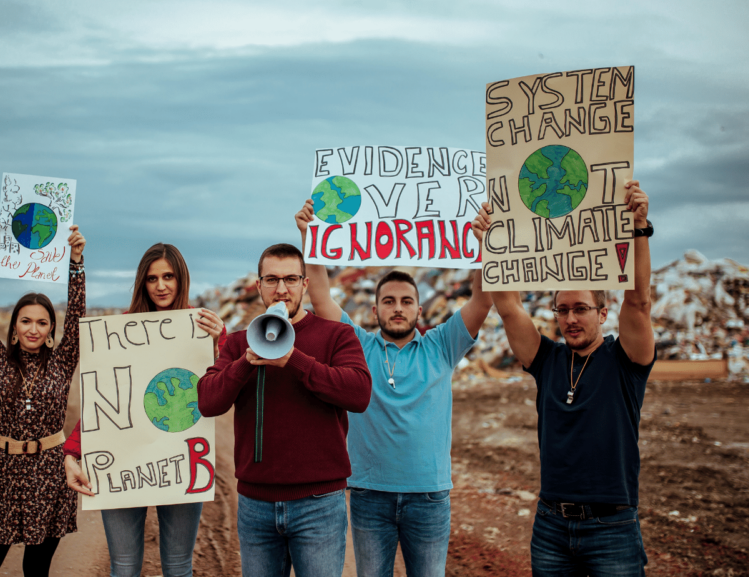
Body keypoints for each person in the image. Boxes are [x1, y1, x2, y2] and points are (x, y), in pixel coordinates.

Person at [296, 200, 493, 577]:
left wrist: (484, 245)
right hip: (370, 496)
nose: (397, 308)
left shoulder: (442, 345)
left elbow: (483, 298)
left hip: (430, 498)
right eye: (388, 302)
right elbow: (321, 298)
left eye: (406, 302)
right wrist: (311, 238)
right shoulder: (357, 345)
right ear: (375, 311)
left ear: (420, 310)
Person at [471, 180, 655, 576]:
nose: (570, 318)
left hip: (613, 527)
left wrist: (639, 228)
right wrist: (491, 243)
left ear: (602, 314)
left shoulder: (626, 360)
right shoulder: (547, 359)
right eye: (562, 309)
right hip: (552, 524)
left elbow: (638, 301)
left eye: (581, 309)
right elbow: (507, 308)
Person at [197, 243, 373, 577]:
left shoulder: (337, 335)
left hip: (319, 503)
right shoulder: (238, 342)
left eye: (291, 279)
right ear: (259, 285)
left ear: (305, 284)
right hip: (255, 506)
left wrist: (294, 359)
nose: (281, 290)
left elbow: (359, 393)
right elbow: (207, 402)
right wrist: (244, 363)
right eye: (272, 280)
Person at [63, 242, 226, 577]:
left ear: (182, 279)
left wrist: (218, 343)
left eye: (168, 276)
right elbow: (103, 399)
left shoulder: (204, 328)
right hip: (125, 460)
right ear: (142, 283)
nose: (161, 285)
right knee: (123, 568)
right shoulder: (119, 331)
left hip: (179, 459)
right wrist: (73, 453)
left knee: (178, 567)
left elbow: (223, 388)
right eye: (152, 279)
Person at [0, 223, 86, 577]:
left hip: (49, 472)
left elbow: (77, 316)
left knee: (37, 569)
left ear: (51, 329)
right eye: (26, 320)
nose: (33, 329)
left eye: (43, 322)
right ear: (14, 325)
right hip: (2, 470)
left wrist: (76, 263)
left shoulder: (63, 360)